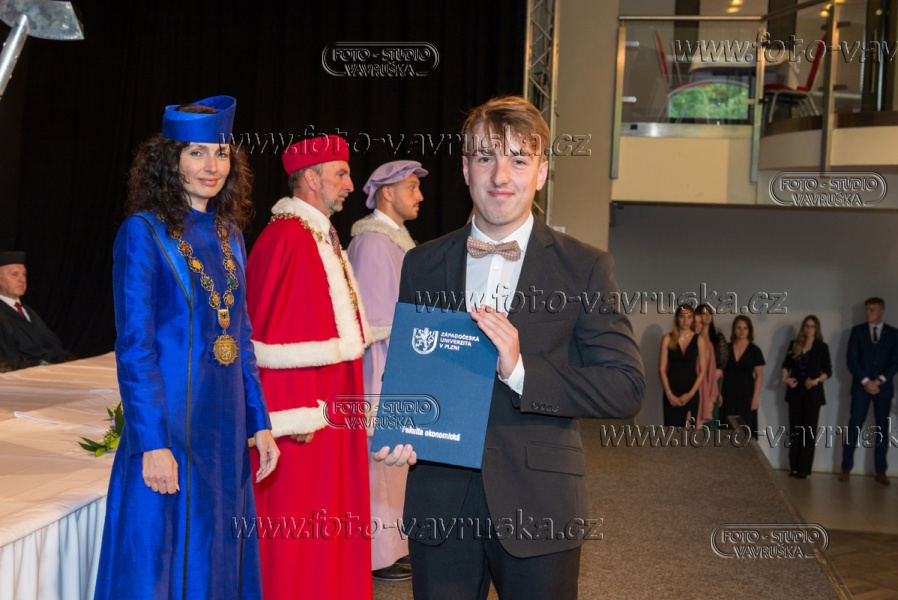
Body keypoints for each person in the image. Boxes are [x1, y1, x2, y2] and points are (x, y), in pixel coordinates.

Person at [373, 96, 645, 600]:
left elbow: (625, 387)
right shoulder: (423, 263)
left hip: (540, 506)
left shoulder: (584, 266)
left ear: (541, 173)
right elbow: (407, 373)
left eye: (519, 160)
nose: (500, 175)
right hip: (440, 505)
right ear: (465, 169)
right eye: (485, 158)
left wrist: (521, 371)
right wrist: (402, 424)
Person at [94, 96, 279, 600]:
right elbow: (135, 348)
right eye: (196, 152)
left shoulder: (231, 235)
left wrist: (260, 422)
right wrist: (152, 442)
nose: (211, 166)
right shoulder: (142, 233)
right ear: (170, 159)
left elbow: (240, 339)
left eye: (220, 153)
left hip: (226, 429)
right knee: (164, 559)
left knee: (218, 553)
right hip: (171, 426)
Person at [245, 135, 374, 599]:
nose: (350, 185)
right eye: (341, 174)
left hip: (330, 409)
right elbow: (268, 338)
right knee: (301, 527)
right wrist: (291, 415)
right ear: (311, 179)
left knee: (331, 520)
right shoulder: (288, 238)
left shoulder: (318, 234)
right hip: (304, 422)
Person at [347, 159, 427, 581]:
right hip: (381, 367)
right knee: (380, 460)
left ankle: (390, 548)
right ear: (387, 192)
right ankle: (376, 555)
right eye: (411, 187)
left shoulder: (392, 239)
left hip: (396, 361)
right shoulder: (374, 243)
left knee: (393, 462)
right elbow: (378, 324)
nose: (420, 195)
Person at [840, 297, 898, 485]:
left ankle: (880, 470)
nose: (867, 313)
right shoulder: (857, 331)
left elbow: (895, 362)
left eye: (871, 309)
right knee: (854, 425)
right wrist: (866, 381)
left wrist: (878, 381)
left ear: (881, 310)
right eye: (866, 309)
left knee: (881, 428)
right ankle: (846, 468)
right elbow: (851, 360)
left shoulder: (893, 334)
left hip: (883, 388)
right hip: (861, 387)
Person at [0, 251, 75, 370]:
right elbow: (6, 358)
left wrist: (68, 359)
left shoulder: (27, 311)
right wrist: (41, 365)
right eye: (15, 274)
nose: (22, 279)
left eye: (24, 274)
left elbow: (52, 345)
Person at [781, 315, 832, 479]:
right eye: (806, 326)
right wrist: (785, 379)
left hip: (812, 393)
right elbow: (785, 365)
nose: (809, 329)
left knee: (808, 431)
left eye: (812, 326)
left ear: (816, 329)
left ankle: (804, 468)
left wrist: (815, 381)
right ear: (803, 327)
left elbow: (828, 371)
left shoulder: (821, 347)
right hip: (795, 390)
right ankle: (794, 467)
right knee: (795, 430)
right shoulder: (794, 344)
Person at [659, 304, 707, 428]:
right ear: (677, 318)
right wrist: (669, 394)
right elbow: (662, 369)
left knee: (689, 434)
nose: (685, 321)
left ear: (692, 319)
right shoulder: (667, 338)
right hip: (671, 391)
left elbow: (703, 370)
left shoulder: (699, 340)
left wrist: (690, 394)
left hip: (691, 391)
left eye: (689, 317)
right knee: (671, 433)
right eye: (682, 317)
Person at [719, 315, 765, 435]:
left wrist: (755, 398)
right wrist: (718, 393)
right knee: (726, 429)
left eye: (745, 328)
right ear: (734, 329)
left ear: (749, 330)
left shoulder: (755, 351)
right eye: (738, 328)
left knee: (745, 430)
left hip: (746, 394)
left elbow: (759, 376)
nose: (741, 331)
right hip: (727, 392)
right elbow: (720, 374)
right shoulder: (726, 348)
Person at [694, 303, 725, 428]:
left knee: (709, 424)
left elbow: (721, 366)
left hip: (712, 383)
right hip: (695, 384)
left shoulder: (716, 339)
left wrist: (714, 390)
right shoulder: (692, 338)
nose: (706, 316)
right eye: (703, 313)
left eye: (709, 313)